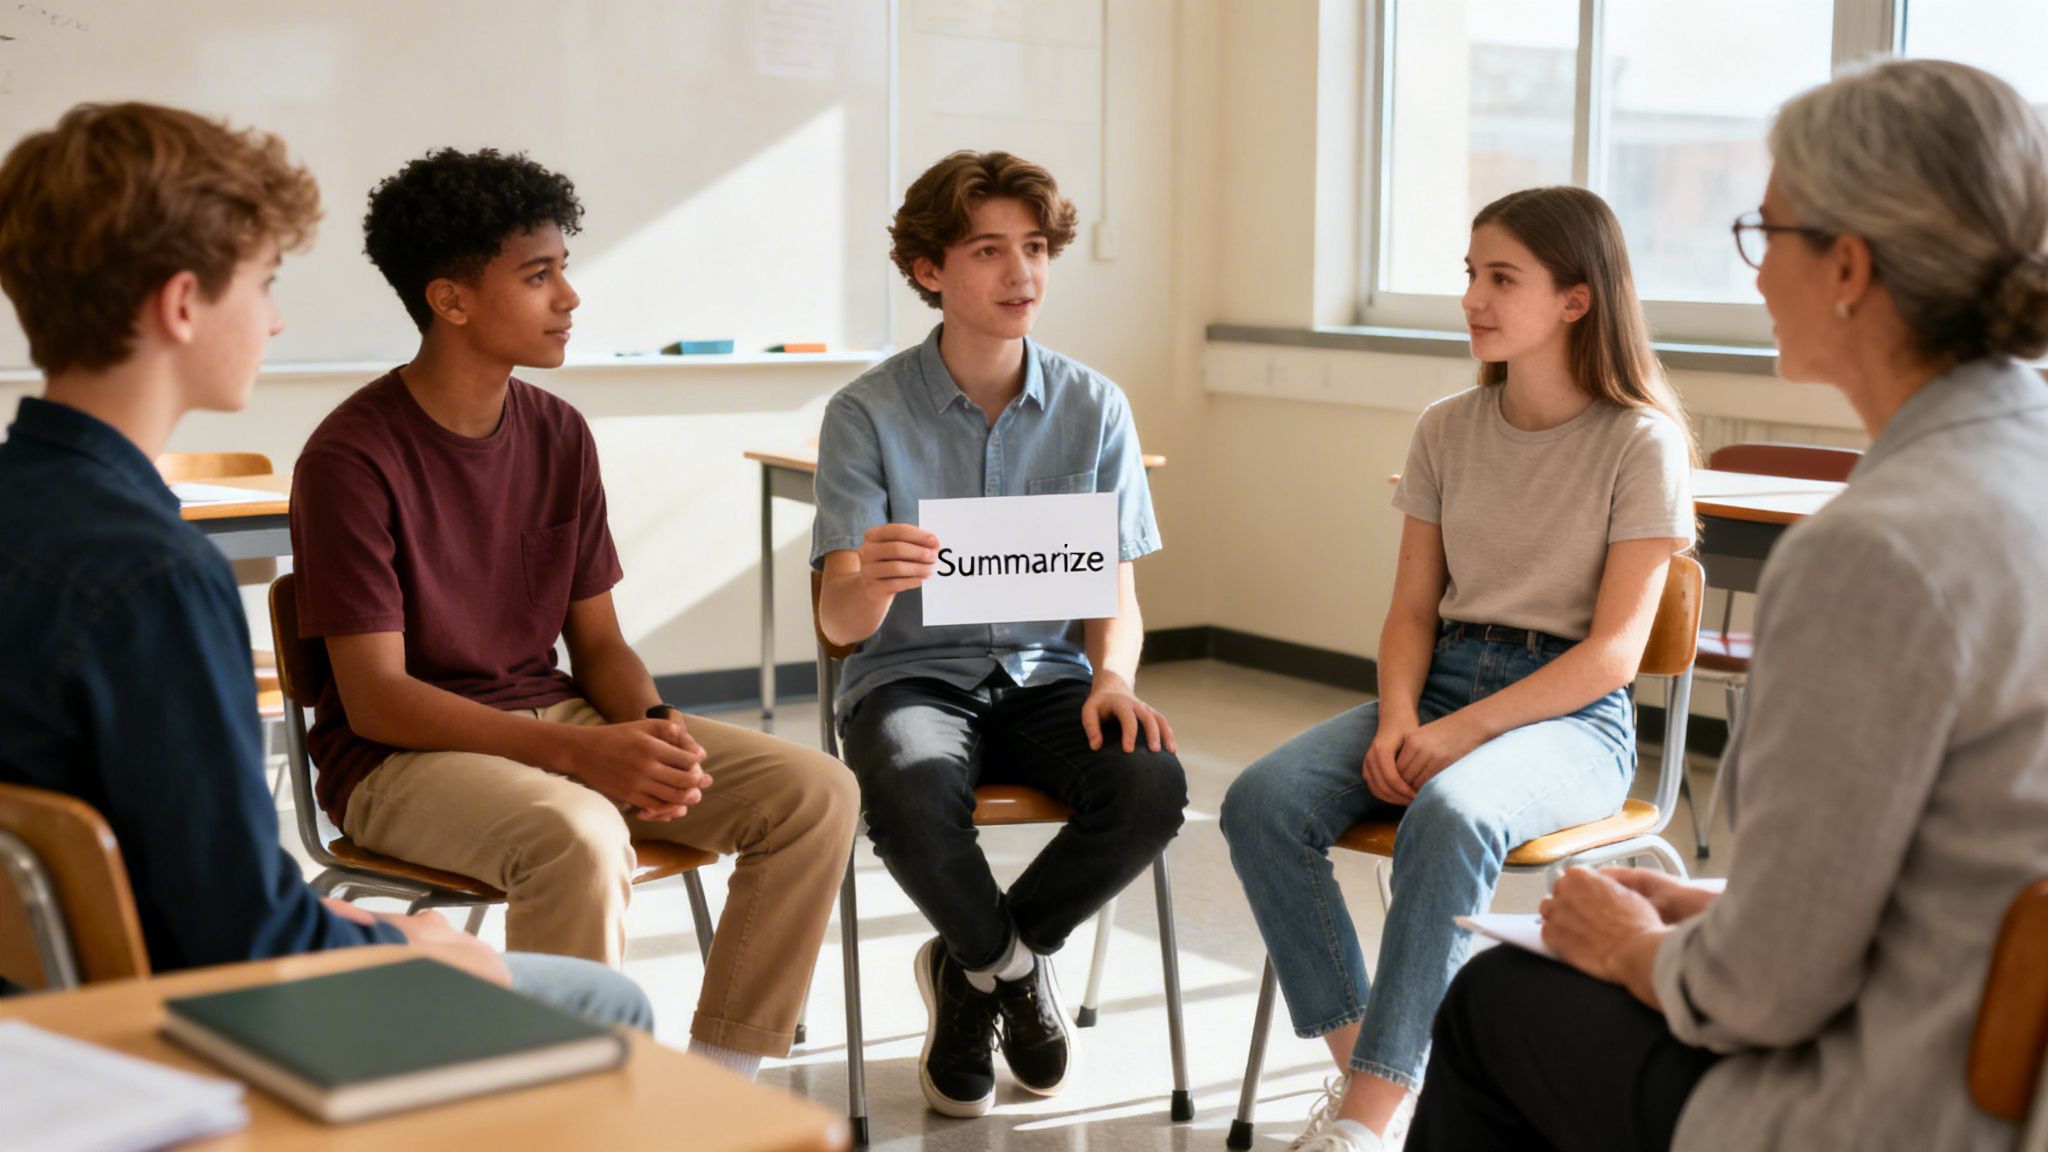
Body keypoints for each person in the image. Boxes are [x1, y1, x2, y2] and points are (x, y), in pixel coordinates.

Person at [1408, 58, 2048, 1152]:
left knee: (1488, 1008)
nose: (1752, 274)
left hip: (1895, 1100)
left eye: (1766, 232)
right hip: (1998, 1049)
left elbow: (1761, 997)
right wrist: (1708, 913)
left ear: (1846, 266)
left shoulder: (1869, 554)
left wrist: (1625, 942)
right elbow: (1956, 865)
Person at [0, 102, 648, 1028]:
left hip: (43, 1013)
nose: (272, 322)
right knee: (606, 1002)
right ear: (184, 305)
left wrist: (328, 913)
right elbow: (242, 943)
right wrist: (402, 942)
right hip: (179, 1025)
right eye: (261, 285)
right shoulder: (159, 576)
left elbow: (200, 881)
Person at [287, 147, 857, 1080]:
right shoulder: (350, 457)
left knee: (816, 793)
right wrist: (582, 754)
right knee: (579, 835)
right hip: (400, 760)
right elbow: (379, 701)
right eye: (539, 274)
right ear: (452, 299)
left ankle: (718, 1083)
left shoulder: (559, 433)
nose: (570, 298)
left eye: (564, 269)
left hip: (554, 723)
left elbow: (597, 641)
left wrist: (652, 731)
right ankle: (572, 1113)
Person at [1220, 185, 1697, 1151]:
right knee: (1260, 802)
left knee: (1452, 813)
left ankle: (1363, 1123)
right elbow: (1408, 611)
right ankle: (1379, 1074)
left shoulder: (1642, 442)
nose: (1473, 298)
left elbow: (1611, 655)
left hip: (1574, 714)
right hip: (1440, 679)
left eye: (1502, 278)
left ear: (1575, 299)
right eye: (1470, 275)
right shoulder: (1446, 427)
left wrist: (1458, 734)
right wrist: (1401, 716)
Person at [811, 150, 1187, 1117]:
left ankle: (971, 966)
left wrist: (1113, 678)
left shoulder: (1095, 405)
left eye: (1033, 248)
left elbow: (1115, 589)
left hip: (1048, 676)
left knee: (1152, 782)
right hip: (910, 678)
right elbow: (838, 623)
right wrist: (873, 582)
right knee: (906, 782)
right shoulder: (863, 413)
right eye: (988, 250)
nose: (1022, 274)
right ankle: (1014, 975)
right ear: (930, 271)